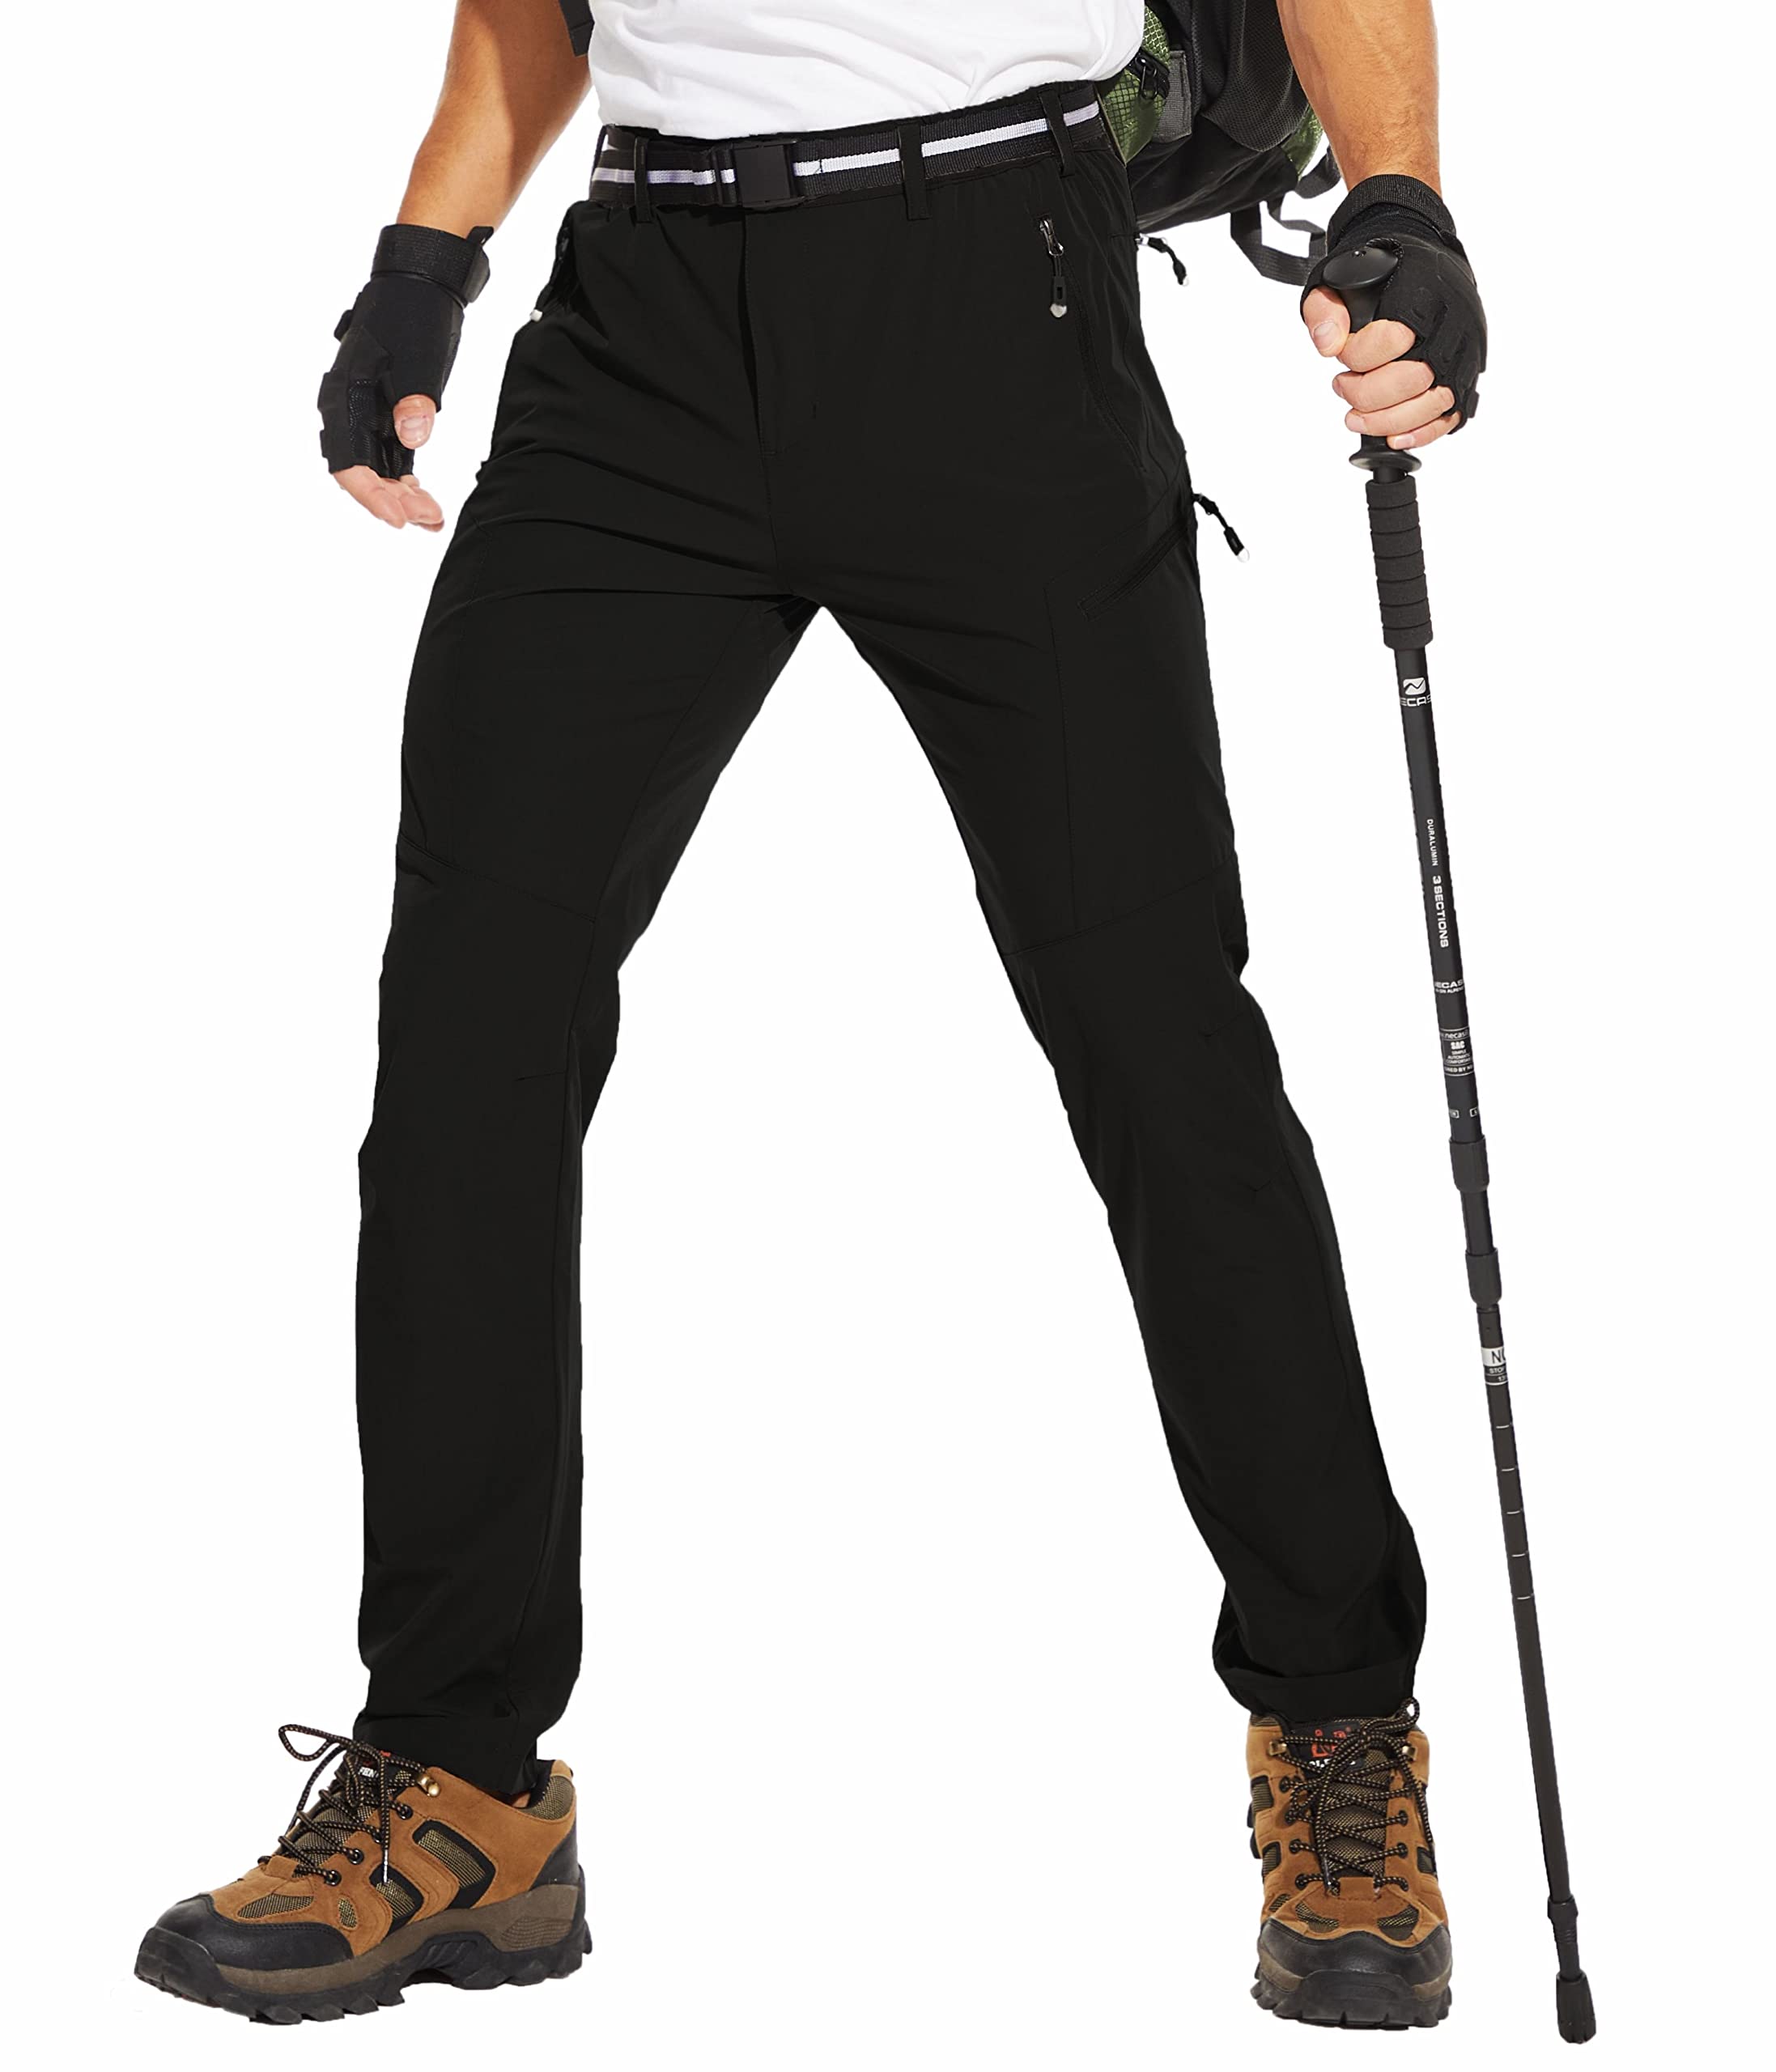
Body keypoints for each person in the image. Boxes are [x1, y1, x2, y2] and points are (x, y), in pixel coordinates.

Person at [135, 0, 1485, 2032]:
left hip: (994, 290)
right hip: (642, 326)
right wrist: (425, 258)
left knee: (1155, 1043)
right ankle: (460, 1771)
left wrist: (1402, 204)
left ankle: (1336, 1722)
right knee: (469, 1039)